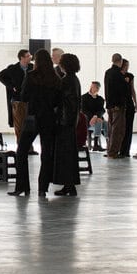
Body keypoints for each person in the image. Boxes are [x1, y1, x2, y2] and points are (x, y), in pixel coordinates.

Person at [12, 50, 58, 198]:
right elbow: (58, 101)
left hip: (32, 118)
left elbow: (24, 96)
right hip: (49, 119)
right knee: (46, 153)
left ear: (36, 61)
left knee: (22, 152)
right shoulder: (55, 78)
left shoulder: (31, 76)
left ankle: (23, 187)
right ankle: (42, 188)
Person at [50, 52, 83, 196]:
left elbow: (60, 101)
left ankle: (68, 184)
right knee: (69, 154)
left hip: (65, 122)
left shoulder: (66, 81)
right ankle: (69, 185)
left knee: (64, 155)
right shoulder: (74, 80)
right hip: (70, 121)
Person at [104, 53, 136, 159]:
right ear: (121, 61)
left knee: (111, 129)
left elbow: (107, 89)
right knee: (118, 130)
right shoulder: (119, 74)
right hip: (118, 106)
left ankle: (109, 150)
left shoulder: (108, 72)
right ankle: (113, 152)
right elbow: (122, 91)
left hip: (109, 105)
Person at [0, 50, 31, 136]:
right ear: (22, 58)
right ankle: (20, 146)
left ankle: (29, 147)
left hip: (30, 100)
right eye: (27, 56)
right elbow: (0, 75)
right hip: (17, 100)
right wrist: (11, 86)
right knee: (19, 125)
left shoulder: (32, 67)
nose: (30, 57)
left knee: (29, 125)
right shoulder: (13, 68)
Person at [81, 80, 106, 149]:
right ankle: (95, 144)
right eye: (92, 87)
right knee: (99, 122)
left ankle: (109, 143)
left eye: (96, 87)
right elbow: (84, 110)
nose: (92, 88)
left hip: (98, 119)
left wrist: (96, 116)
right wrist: (93, 117)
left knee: (106, 123)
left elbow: (101, 110)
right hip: (88, 121)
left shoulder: (100, 99)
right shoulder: (84, 97)